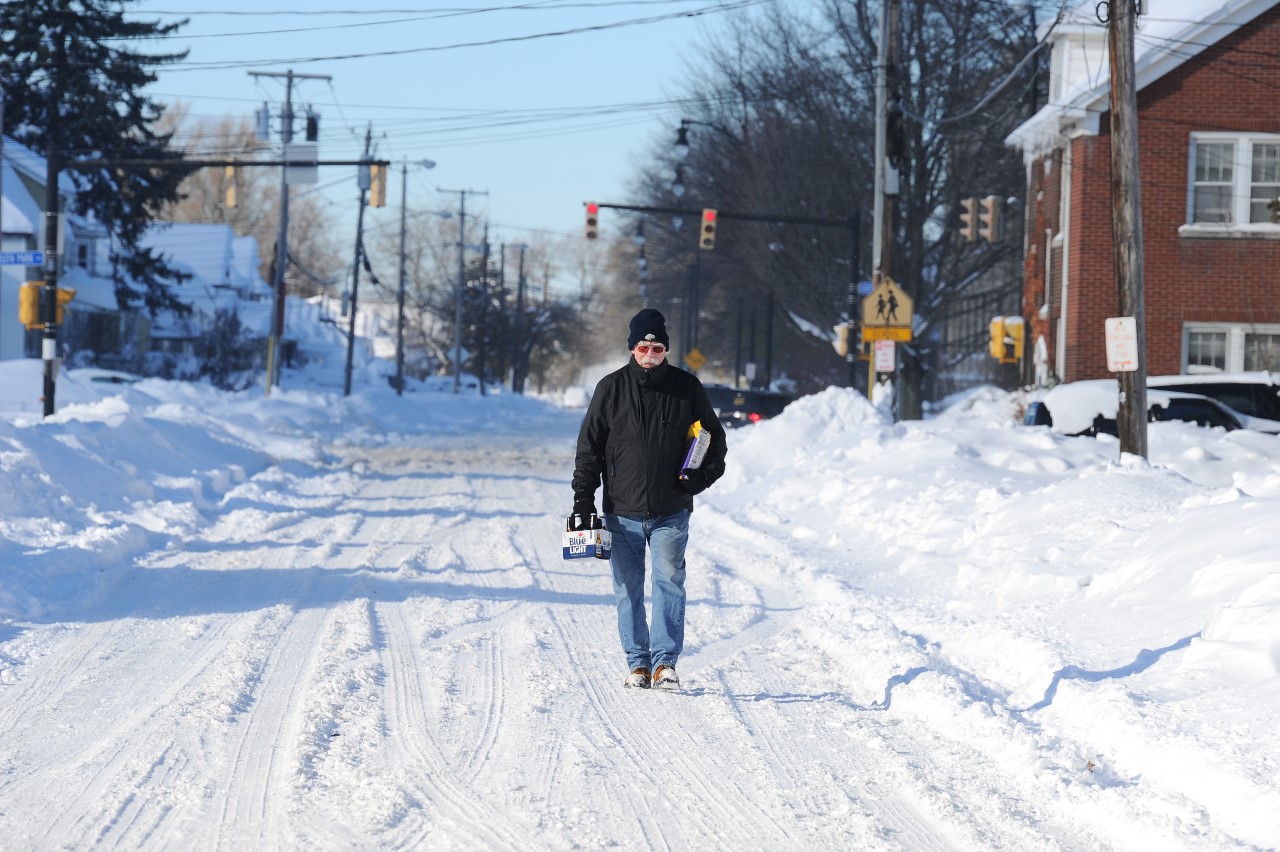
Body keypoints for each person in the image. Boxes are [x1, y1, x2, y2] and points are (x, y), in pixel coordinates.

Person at [571, 308, 727, 690]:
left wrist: (697, 479)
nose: (650, 354)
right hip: (620, 512)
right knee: (627, 589)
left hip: (670, 510)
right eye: (643, 347)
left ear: (666, 350)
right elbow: (589, 448)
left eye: (657, 348)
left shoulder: (687, 388)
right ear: (632, 349)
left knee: (669, 583)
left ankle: (664, 664)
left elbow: (715, 443)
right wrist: (583, 500)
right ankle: (638, 664)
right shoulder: (610, 388)